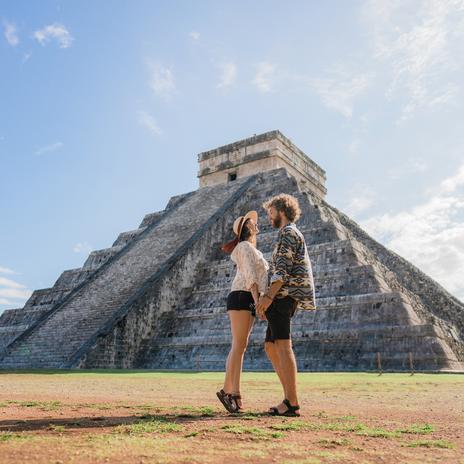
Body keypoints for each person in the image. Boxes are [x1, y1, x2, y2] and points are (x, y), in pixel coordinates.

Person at [256, 193, 316, 417]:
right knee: (271, 347)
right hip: (280, 297)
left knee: (282, 345)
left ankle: (292, 402)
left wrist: (267, 297)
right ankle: (288, 397)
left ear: (281, 210)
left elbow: (281, 272)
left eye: (270, 212)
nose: (268, 217)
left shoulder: (289, 233)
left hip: (282, 297)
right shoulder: (287, 233)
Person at [216, 210, 269, 413]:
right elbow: (250, 275)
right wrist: (258, 301)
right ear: (247, 228)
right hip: (242, 295)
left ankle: (229, 390)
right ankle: (232, 392)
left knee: (240, 346)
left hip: (246, 296)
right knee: (238, 346)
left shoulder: (250, 248)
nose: (257, 225)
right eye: (253, 223)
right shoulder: (244, 247)